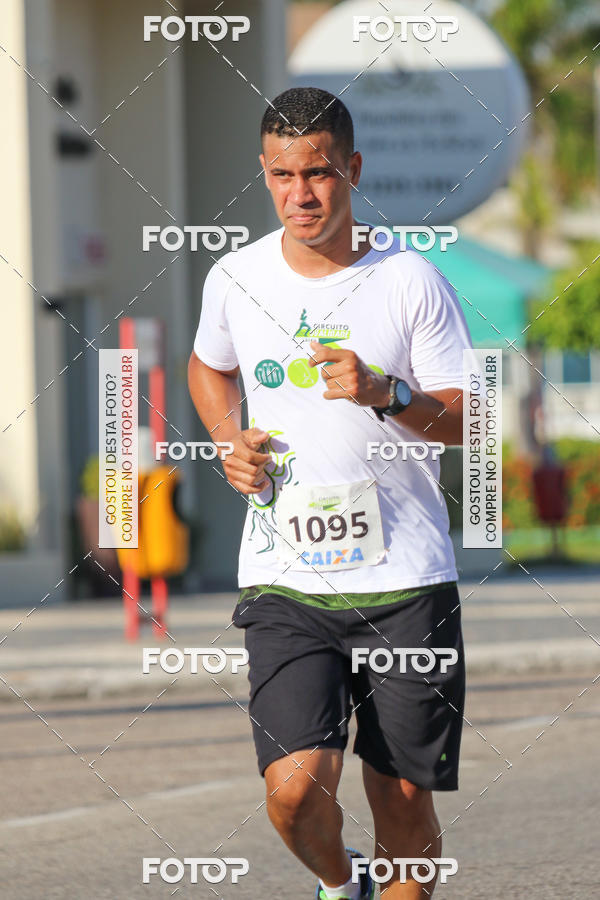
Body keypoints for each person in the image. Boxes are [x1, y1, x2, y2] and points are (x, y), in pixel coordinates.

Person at [188, 86, 472, 899]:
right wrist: (226, 439)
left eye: (317, 173)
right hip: (288, 581)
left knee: (404, 800)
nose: (300, 194)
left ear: (350, 170)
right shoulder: (236, 277)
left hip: (406, 582)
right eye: (282, 175)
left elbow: (469, 418)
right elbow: (210, 367)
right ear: (265, 174)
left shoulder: (408, 278)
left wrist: (390, 393)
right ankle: (341, 885)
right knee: (292, 795)